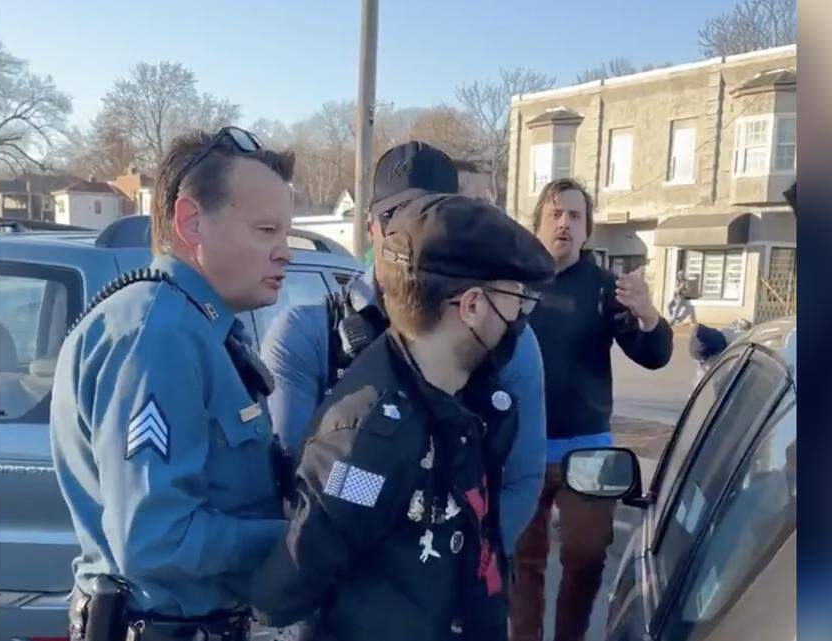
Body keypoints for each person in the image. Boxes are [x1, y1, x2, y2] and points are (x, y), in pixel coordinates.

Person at [250, 194, 555, 641]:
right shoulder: (369, 439)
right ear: (471, 306)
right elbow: (290, 585)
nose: (520, 319)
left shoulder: (455, 400)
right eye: (516, 301)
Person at [50, 127, 294, 641]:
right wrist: (298, 540)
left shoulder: (193, 329)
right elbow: (156, 538)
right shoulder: (158, 336)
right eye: (266, 230)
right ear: (190, 221)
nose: (285, 252)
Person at [259, 141, 548, 559]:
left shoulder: (505, 337)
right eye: (392, 217)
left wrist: (450, 563)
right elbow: (302, 478)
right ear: (370, 225)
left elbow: (522, 479)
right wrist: (398, 556)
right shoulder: (308, 333)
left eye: (426, 216)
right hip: (345, 593)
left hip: (462, 590)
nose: (405, 235)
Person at [511, 178, 674, 641]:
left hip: (588, 452)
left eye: (575, 216)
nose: (565, 223)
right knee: (524, 559)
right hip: (523, 446)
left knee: (586, 554)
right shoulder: (515, 281)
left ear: (587, 230)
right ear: (538, 223)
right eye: (556, 214)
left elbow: (654, 354)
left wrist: (649, 316)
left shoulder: (606, 289)